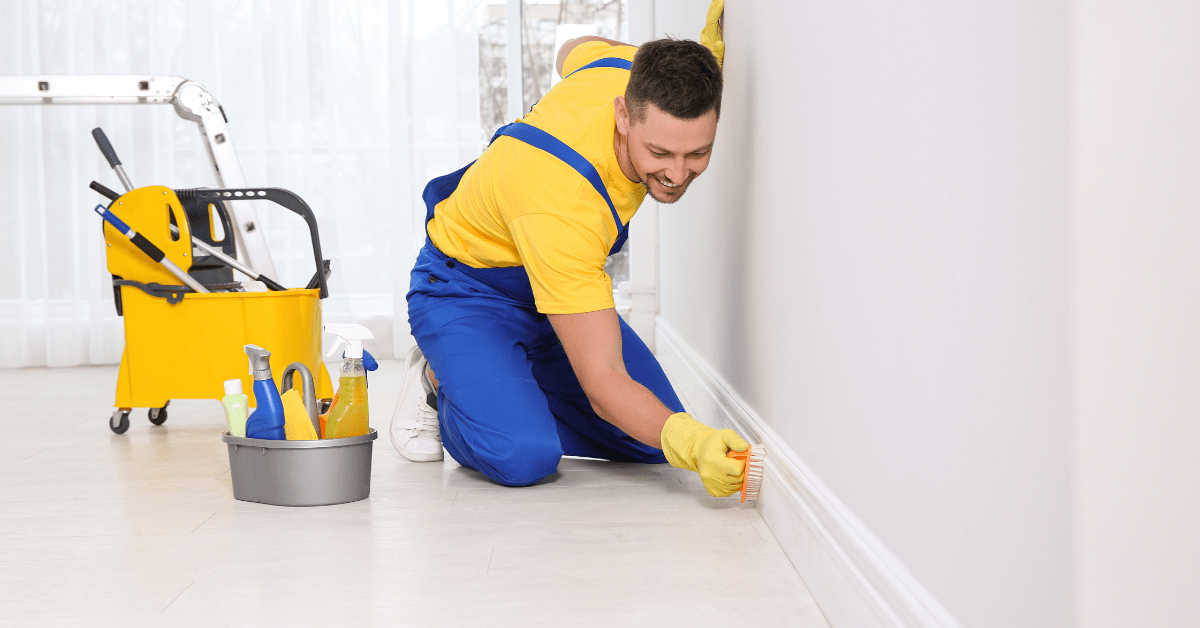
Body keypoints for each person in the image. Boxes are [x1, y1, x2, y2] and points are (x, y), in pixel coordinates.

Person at [389, 29, 750, 496]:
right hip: (467, 292)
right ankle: (441, 378)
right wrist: (695, 443)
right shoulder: (562, 205)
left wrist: (707, 64)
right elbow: (604, 384)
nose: (677, 174)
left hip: (549, 290)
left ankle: (502, 379)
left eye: (697, 152)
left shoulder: (625, 67)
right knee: (524, 454)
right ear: (623, 114)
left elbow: (570, 50)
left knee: (651, 439)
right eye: (659, 152)